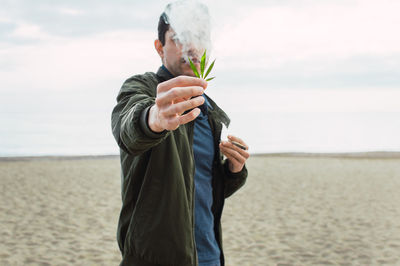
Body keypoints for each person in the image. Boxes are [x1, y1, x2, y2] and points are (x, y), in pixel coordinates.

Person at [111, 2, 250, 265]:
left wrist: (234, 169)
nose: (191, 47)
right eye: (179, 38)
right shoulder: (142, 88)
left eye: (199, 38)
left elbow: (200, 187)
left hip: (209, 255)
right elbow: (129, 128)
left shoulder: (210, 110)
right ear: (159, 47)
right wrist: (153, 118)